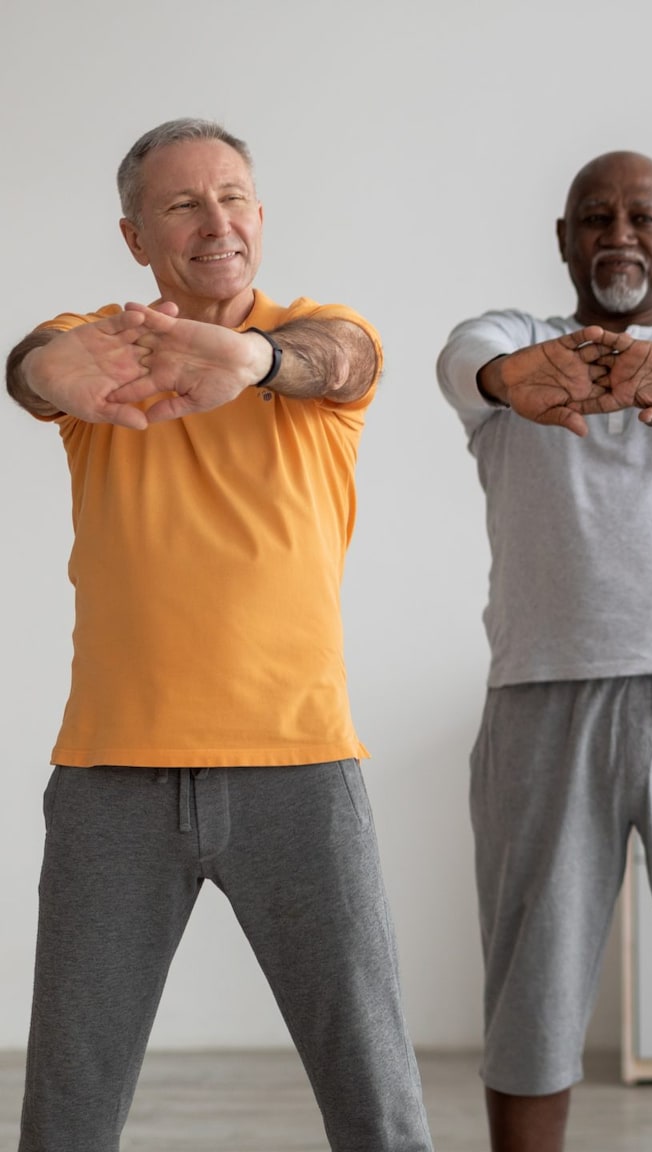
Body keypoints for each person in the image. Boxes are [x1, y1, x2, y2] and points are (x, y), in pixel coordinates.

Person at [1, 118, 432, 1151]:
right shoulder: (104, 349)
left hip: (300, 765)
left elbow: (344, 357)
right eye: (183, 204)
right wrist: (36, 373)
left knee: (376, 1098)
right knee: (68, 1106)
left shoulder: (315, 341)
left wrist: (247, 357)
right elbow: (34, 366)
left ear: (261, 215)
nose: (216, 221)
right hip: (114, 773)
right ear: (134, 235)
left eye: (233, 196)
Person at [436, 151, 652, 1151]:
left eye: (643, 218)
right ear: (563, 240)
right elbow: (461, 356)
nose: (620, 234)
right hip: (542, 701)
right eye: (596, 217)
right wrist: (511, 380)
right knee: (533, 989)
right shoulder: (513, 355)